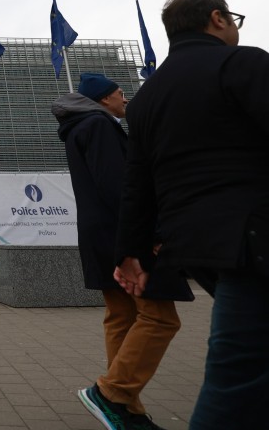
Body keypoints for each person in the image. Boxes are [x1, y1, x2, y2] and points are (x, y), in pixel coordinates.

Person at [115, 0, 269, 428]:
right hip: (254, 237)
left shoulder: (146, 98)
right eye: (233, 18)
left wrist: (131, 252)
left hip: (195, 246)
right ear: (217, 18)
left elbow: (137, 184)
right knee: (238, 374)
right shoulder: (243, 63)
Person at [53, 73, 192, 430]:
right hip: (124, 235)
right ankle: (111, 393)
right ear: (103, 99)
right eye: (119, 94)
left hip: (100, 234)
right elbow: (120, 186)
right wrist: (151, 234)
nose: (125, 99)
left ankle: (126, 410)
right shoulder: (99, 126)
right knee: (160, 318)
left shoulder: (79, 127)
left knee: (121, 317)